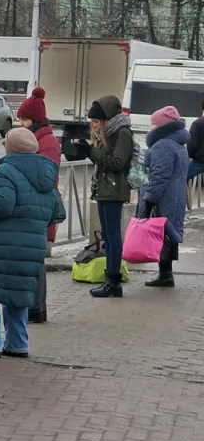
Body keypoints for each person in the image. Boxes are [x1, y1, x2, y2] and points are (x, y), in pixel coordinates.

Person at [0, 127, 61, 358]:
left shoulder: (5, 172)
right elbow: (57, 213)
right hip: (30, 251)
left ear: (10, 148)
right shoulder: (46, 175)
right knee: (17, 294)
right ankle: (18, 344)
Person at [15, 87, 61, 324]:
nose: (21, 124)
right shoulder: (41, 139)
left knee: (35, 260)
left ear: (34, 120)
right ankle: (35, 308)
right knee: (34, 259)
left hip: (39, 210)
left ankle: (36, 309)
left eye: (24, 120)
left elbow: (45, 178)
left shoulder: (47, 142)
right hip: (37, 209)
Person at [86, 95, 134, 299]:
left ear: (107, 118)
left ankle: (113, 281)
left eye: (97, 121)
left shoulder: (122, 132)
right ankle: (110, 279)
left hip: (114, 190)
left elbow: (117, 162)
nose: (94, 125)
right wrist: (88, 150)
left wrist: (92, 152)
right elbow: (105, 160)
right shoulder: (109, 132)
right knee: (108, 235)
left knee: (113, 236)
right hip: (105, 189)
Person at [138, 105, 189, 288]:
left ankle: (165, 275)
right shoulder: (177, 144)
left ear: (162, 126)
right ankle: (166, 273)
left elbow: (159, 176)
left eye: (154, 124)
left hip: (164, 196)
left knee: (163, 232)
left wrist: (149, 199)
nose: (151, 127)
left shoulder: (163, 146)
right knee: (168, 232)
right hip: (175, 195)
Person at [187, 101, 204, 182]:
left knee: (180, 177)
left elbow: (192, 144)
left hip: (199, 161)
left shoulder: (198, 123)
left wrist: (192, 155)